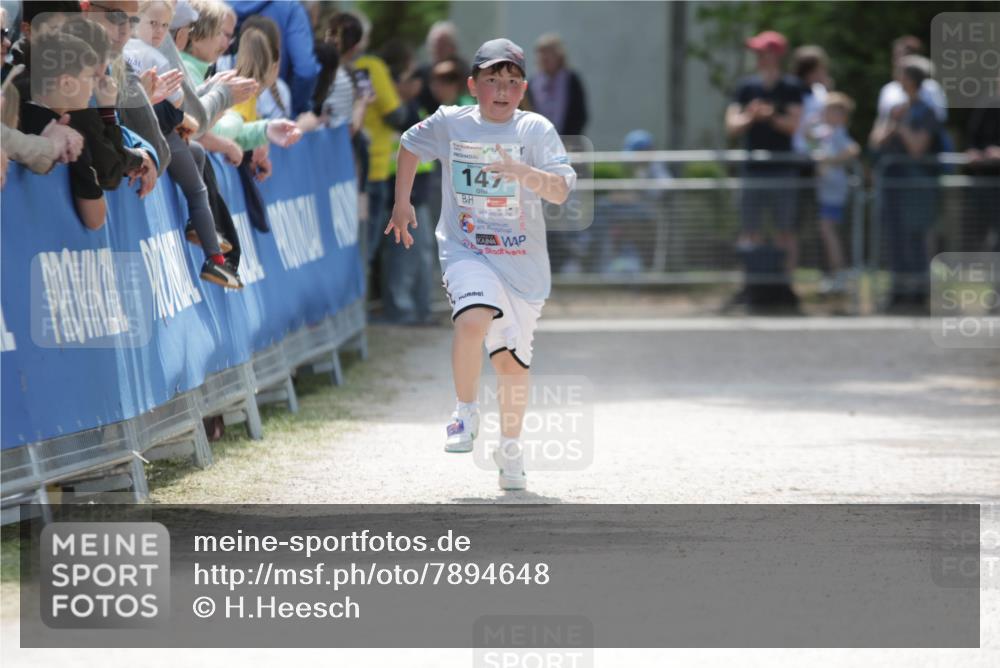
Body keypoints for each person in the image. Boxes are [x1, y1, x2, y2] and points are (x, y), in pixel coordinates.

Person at [386, 38, 577, 491]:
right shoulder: (452, 122)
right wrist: (401, 203)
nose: (502, 90)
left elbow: (561, 191)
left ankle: (510, 448)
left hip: (522, 265)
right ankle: (465, 413)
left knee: (511, 366)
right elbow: (409, 144)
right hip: (466, 248)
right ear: (473, 85)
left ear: (524, 88)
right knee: (472, 320)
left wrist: (519, 172)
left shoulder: (535, 130)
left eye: (512, 82)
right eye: (492, 80)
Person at [128, 0, 242, 288]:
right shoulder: (134, 53)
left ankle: (197, 224)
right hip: (158, 134)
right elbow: (179, 103)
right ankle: (215, 261)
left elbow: (181, 102)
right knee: (197, 188)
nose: (158, 31)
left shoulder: (152, 54)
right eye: (152, 23)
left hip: (164, 130)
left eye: (164, 26)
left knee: (199, 152)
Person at [725, 30, 803, 277]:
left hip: (783, 167)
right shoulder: (746, 87)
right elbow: (732, 126)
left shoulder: (791, 87)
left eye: (762, 51)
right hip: (753, 168)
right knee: (749, 229)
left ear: (775, 55)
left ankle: (786, 283)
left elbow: (794, 126)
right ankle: (750, 283)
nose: (757, 56)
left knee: (785, 230)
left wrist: (771, 117)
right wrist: (751, 116)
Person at [870, 55, 942, 312]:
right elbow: (875, 141)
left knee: (916, 239)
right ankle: (898, 292)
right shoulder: (894, 109)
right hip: (893, 184)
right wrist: (892, 121)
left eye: (902, 74)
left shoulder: (927, 111)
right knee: (895, 238)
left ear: (911, 80)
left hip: (916, 186)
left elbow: (916, 148)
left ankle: (918, 293)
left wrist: (901, 124)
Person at [18, 32, 107, 229]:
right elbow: (95, 219)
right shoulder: (69, 136)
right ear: (66, 83)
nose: (94, 85)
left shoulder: (14, 111)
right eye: (89, 77)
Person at [231, 0, 319, 118]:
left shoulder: (221, 5)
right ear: (275, 63)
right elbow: (306, 70)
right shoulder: (291, 8)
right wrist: (297, 112)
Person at [812, 92, 859, 295]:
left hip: (834, 190)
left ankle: (839, 272)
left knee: (828, 230)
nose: (826, 113)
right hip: (825, 190)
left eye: (831, 110)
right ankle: (834, 272)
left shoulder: (838, 132)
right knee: (826, 231)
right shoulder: (825, 132)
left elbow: (853, 149)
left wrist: (830, 162)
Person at [527, 33, 587, 137]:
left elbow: (580, 115)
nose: (543, 57)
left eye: (548, 52)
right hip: (538, 143)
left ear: (559, 55)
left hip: (567, 143)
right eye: (540, 52)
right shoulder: (531, 83)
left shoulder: (571, 80)